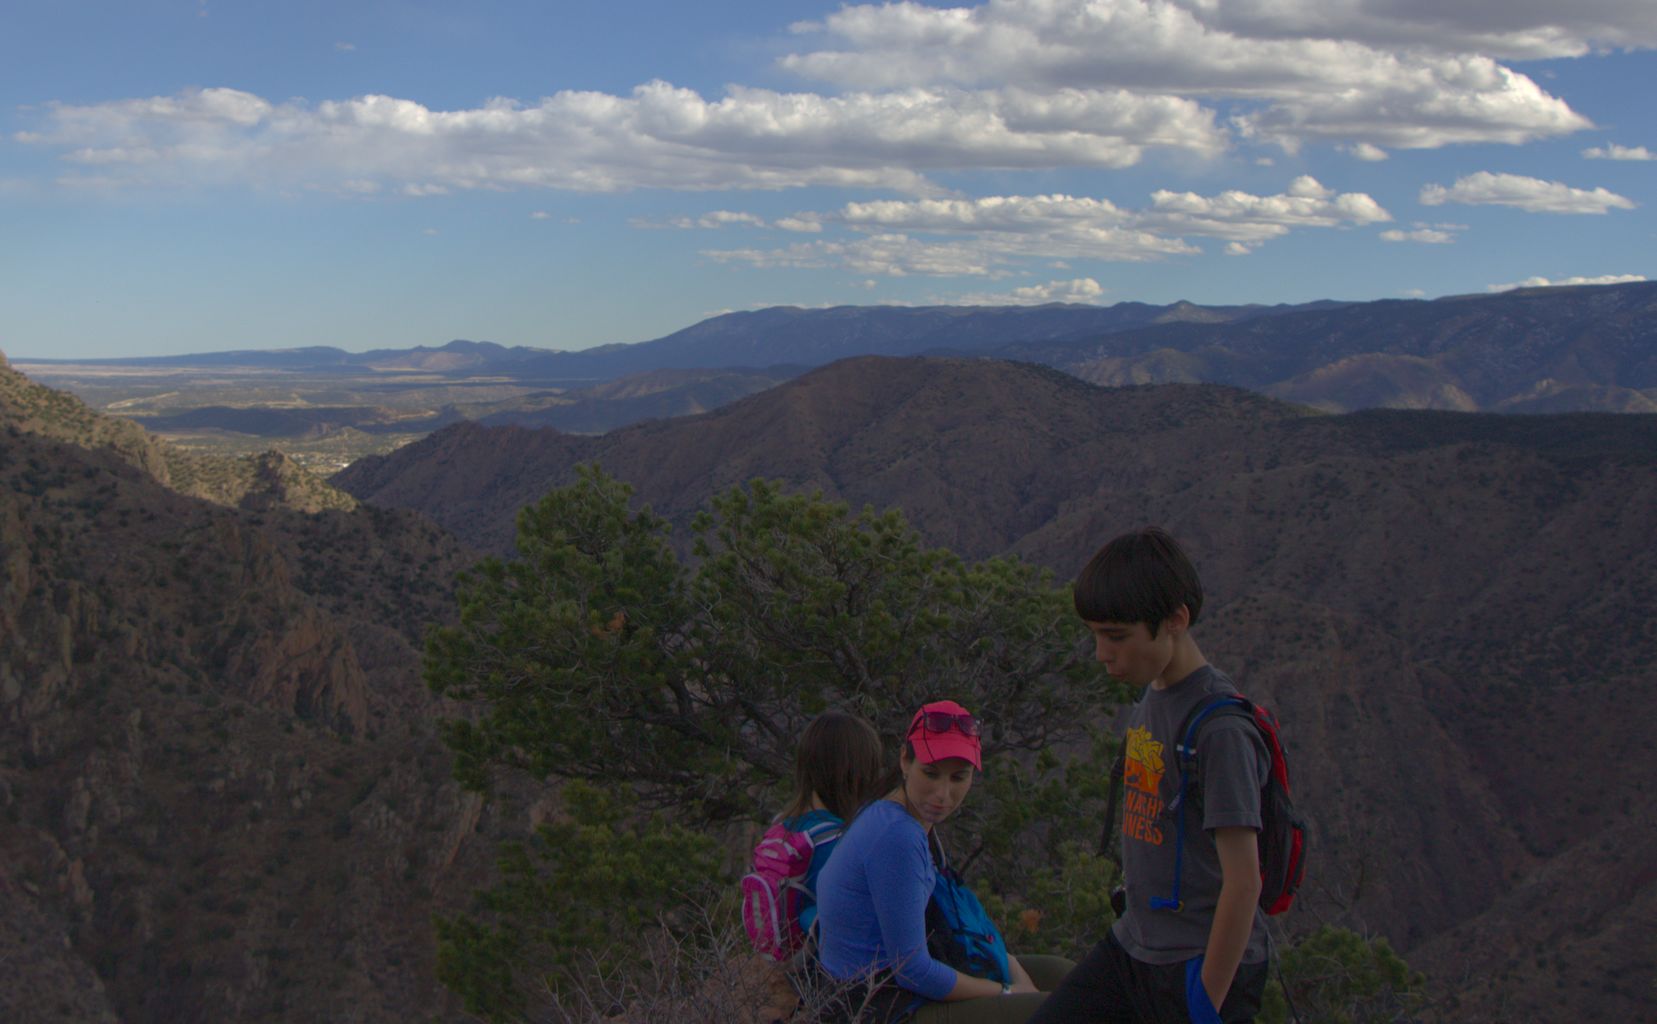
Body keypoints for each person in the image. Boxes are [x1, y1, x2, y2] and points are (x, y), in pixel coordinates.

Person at [1029, 528, 1270, 1024]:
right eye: (1096, 634)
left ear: (1175, 620)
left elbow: (1244, 882)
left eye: (1117, 636)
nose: (1102, 653)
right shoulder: (1154, 695)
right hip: (1134, 947)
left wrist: (1205, 1004)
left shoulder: (1219, 728)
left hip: (1196, 963)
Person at [815, 699, 1073, 1023]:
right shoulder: (898, 836)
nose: (942, 794)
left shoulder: (904, 818)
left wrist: (1010, 970)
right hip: (879, 1007)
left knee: (1062, 976)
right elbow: (913, 971)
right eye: (931, 773)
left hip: (898, 988)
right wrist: (1006, 992)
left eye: (958, 778)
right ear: (905, 761)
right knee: (1045, 1009)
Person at [778, 709, 889, 935]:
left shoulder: (783, 827)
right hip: (823, 964)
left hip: (783, 957)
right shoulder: (837, 843)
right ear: (854, 775)